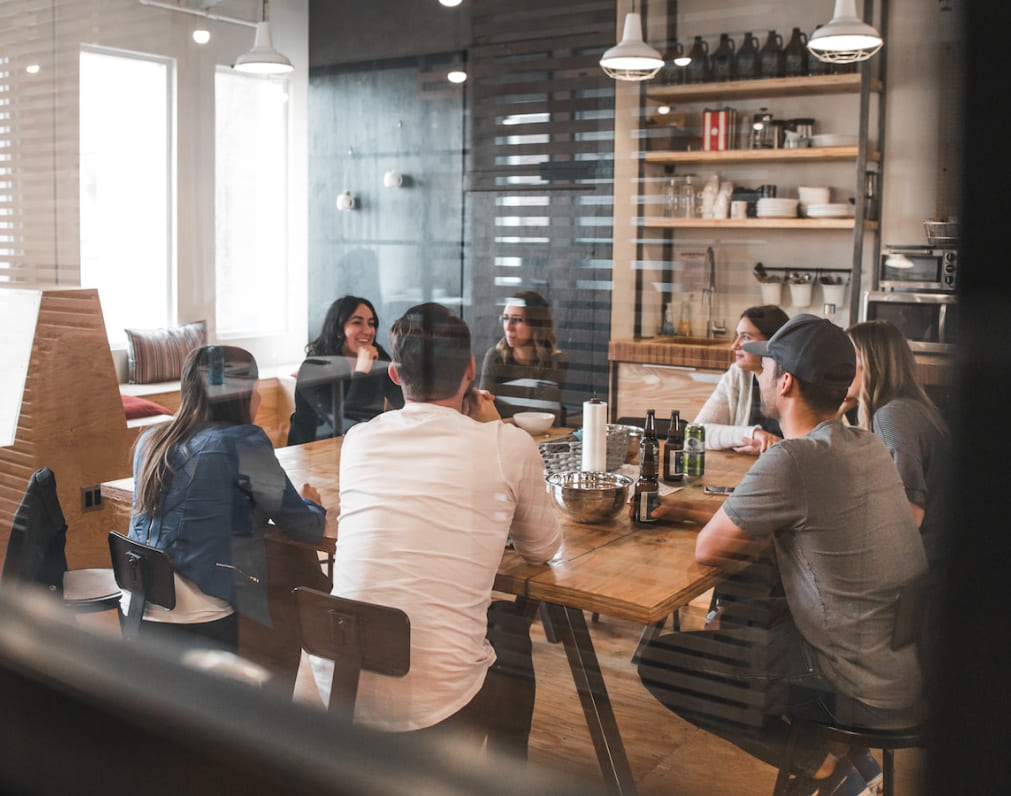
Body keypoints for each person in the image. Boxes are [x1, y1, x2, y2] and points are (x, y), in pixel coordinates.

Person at [637, 314, 929, 795]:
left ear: (786, 381)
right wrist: (688, 508)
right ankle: (851, 768)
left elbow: (709, 548)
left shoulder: (792, 459)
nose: (762, 373)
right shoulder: (865, 444)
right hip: (899, 667)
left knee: (663, 662)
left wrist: (693, 517)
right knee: (751, 610)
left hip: (851, 685)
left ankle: (820, 763)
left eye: (769, 365)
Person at [309, 302, 561, 758]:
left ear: (394, 374)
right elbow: (542, 548)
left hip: (338, 683)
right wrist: (495, 428)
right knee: (510, 635)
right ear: (470, 370)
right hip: (436, 703)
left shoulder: (360, 440)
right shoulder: (508, 444)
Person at [128, 345, 326, 654]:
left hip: (140, 606)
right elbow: (305, 528)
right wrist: (312, 502)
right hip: (200, 615)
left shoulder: (150, 441)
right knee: (292, 581)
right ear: (243, 392)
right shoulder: (243, 443)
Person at [844, 320, 951, 566]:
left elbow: (908, 515)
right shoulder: (909, 407)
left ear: (868, 363)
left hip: (925, 566)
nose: (841, 368)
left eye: (848, 358)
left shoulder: (892, 417)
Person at [287, 296, 404, 444]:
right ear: (338, 330)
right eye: (357, 323)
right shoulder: (314, 368)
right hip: (313, 453)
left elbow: (404, 402)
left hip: (362, 447)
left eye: (371, 323)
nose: (368, 331)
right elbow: (348, 425)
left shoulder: (377, 357)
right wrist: (362, 372)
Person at [692, 304, 790, 454]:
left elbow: (810, 445)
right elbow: (697, 432)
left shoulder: (794, 380)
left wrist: (772, 447)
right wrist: (753, 434)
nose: (734, 346)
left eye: (745, 337)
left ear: (771, 343)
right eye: (736, 336)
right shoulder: (737, 375)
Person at [479, 290, 568, 421]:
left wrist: (499, 422)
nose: (508, 327)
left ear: (536, 325)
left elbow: (542, 417)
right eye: (505, 318)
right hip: (500, 437)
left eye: (517, 320)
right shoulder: (495, 357)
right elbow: (482, 410)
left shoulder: (555, 361)